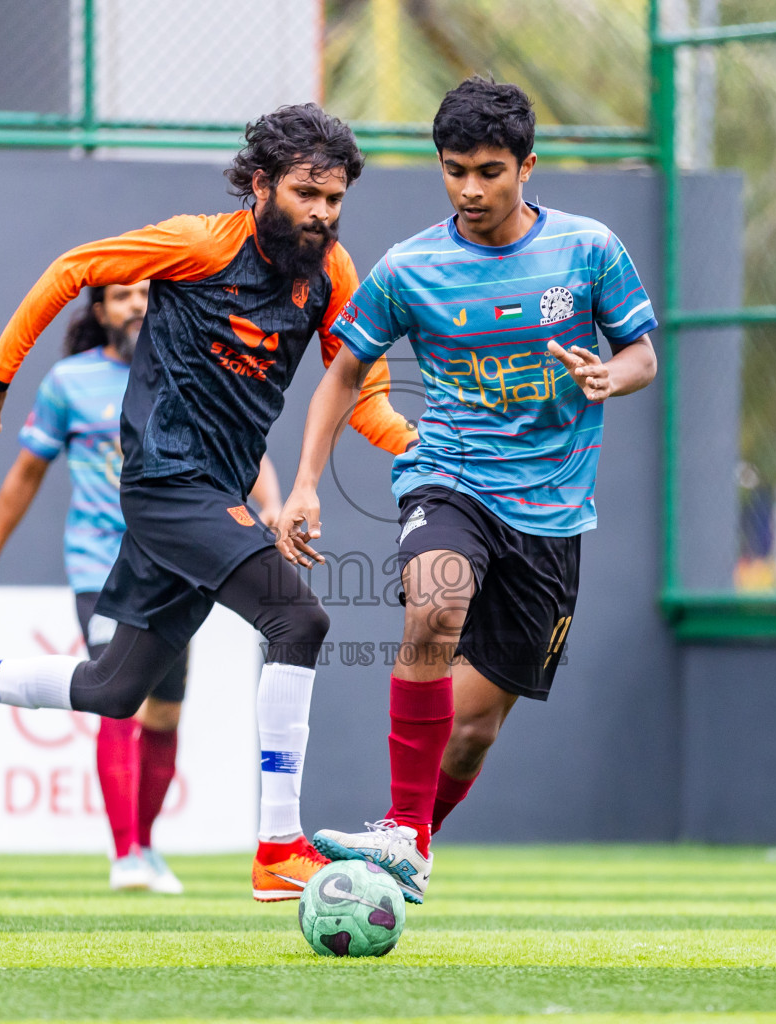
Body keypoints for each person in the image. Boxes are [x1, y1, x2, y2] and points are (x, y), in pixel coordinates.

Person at [0, 103, 417, 903]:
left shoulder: (332, 275)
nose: (321, 212)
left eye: (334, 197)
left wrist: (427, 449)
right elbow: (75, 267)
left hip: (207, 495)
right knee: (301, 621)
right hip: (166, 485)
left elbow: (364, 397)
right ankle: (278, 845)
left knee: (115, 689)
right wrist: (0, 372)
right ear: (259, 184)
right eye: (305, 193)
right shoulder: (198, 242)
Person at [274, 78, 658, 903]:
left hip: (552, 512)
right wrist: (306, 483)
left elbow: (643, 356)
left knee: (473, 731)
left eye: (490, 170)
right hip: (447, 476)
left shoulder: (590, 250)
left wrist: (607, 376)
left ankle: (411, 840)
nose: (472, 190)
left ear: (527, 164)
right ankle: (406, 829)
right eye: (455, 171)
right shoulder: (410, 268)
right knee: (434, 603)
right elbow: (342, 378)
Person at [0, 280, 282, 894]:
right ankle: (126, 852)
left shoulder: (193, 370)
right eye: (121, 295)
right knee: (115, 689)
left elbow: (245, 445)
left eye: (145, 294)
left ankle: (146, 845)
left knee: (164, 711)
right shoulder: (69, 385)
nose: (137, 304)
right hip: (101, 566)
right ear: (100, 311)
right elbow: (25, 474)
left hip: (179, 565)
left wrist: (270, 502)